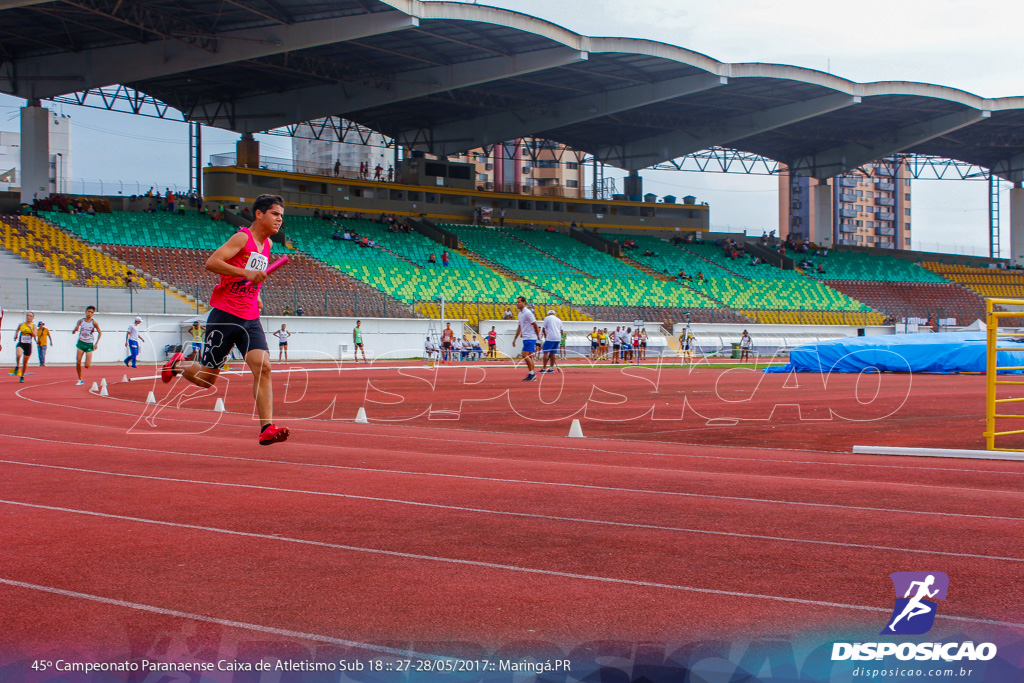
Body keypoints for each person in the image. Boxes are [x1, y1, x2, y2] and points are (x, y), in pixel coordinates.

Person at [159, 194, 290, 446]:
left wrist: (257, 294)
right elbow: (212, 262)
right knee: (207, 380)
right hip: (226, 316)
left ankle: (267, 427)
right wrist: (246, 273)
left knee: (264, 367)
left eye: (282, 216)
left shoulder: (268, 245)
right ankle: (177, 365)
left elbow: (254, 275)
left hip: (250, 317)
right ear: (259, 214)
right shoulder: (243, 237)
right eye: (275, 213)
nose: (279, 219)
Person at [511, 296, 540, 381]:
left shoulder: (528, 313)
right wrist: (515, 339)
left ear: (524, 302)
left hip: (530, 337)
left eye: (519, 302)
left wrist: (538, 336)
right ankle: (532, 374)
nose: (517, 303)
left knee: (524, 355)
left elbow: (535, 324)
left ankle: (532, 374)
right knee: (530, 357)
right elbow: (519, 327)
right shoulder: (520, 314)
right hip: (526, 337)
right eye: (517, 302)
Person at [72, 306, 101, 386]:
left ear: (93, 313)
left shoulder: (94, 323)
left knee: (87, 366)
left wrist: (96, 343)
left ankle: (86, 364)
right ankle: (80, 379)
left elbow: (100, 333)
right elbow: (74, 330)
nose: (89, 313)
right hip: (81, 342)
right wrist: (75, 330)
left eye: (91, 312)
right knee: (78, 361)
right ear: (85, 312)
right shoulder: (81, 321)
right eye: (88, 311)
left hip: (89, 344)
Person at [11, 311, 36, 382]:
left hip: (28, 345)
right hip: (21, 343)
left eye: (30, 316)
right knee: (18, 355)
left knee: (25, 363)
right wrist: (16, 335)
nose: (28, 317)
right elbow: (17, 330)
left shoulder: (33, 326)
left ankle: (22, 376)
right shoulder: (21, 324)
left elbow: (35, 336)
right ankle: (17, 366)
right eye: (27, 315)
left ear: (33, 318)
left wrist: (30, 329)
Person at [540, 309, 563, 374]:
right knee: (553, 353)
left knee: (546, 352)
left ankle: (544, 368)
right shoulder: (559, 320)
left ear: (549, 313)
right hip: (557, 338)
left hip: (550, 337)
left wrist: (545, 335)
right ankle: (551, 368)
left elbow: (543, 329)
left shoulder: (547, 318)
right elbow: (561, 331)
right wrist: (559, 337)